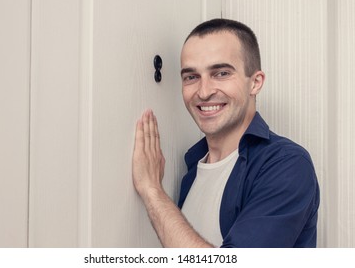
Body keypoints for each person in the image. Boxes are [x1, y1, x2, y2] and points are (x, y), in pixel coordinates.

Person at [132, 18, 320, 248]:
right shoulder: (192, 168)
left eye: (221, 73)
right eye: (191, 77)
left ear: (255, 83)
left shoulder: (287, 165)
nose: (203, 92)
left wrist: (152, 191)